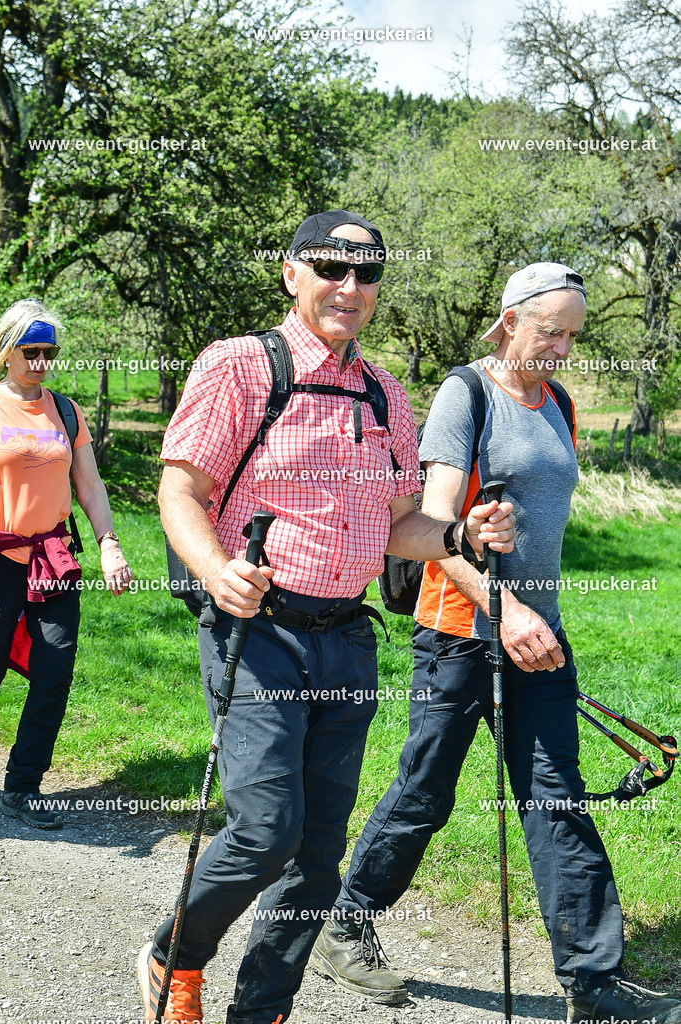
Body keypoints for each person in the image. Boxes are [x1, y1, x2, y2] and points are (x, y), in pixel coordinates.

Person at [137, 209, 515, 1024]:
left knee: (315, 861)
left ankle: (261, 1010)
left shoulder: (385, 391)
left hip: (345, 640)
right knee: (266, 831)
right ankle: (176, 955)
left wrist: (459, 533)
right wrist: (215, 569)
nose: (349, 286)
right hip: (258, 630)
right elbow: (180, 491)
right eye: (330, 268)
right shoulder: (240, 366)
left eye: (366, 272)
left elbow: (397, 525)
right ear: (291, 273)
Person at [311, 262, 681, 1024]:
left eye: (574, 335)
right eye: (550, 332)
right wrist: (502, 608)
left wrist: (529, 617)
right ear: (509, 320)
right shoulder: (465, 394)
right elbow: (434, 529)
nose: (562, 349)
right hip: (459, 634)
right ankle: (344, 921)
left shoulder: (560, 403)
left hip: (537, 637)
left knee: (556, 800)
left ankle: (592, 983)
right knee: (425, 791)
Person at [0, 299, 132, 830]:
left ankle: (22, 789)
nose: (40, 361)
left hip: (52, 560)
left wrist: (110, 543)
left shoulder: (67, 411)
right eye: (30, 351)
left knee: (54, 672)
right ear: (7, 351)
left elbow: (90, 485)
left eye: (48, 352)